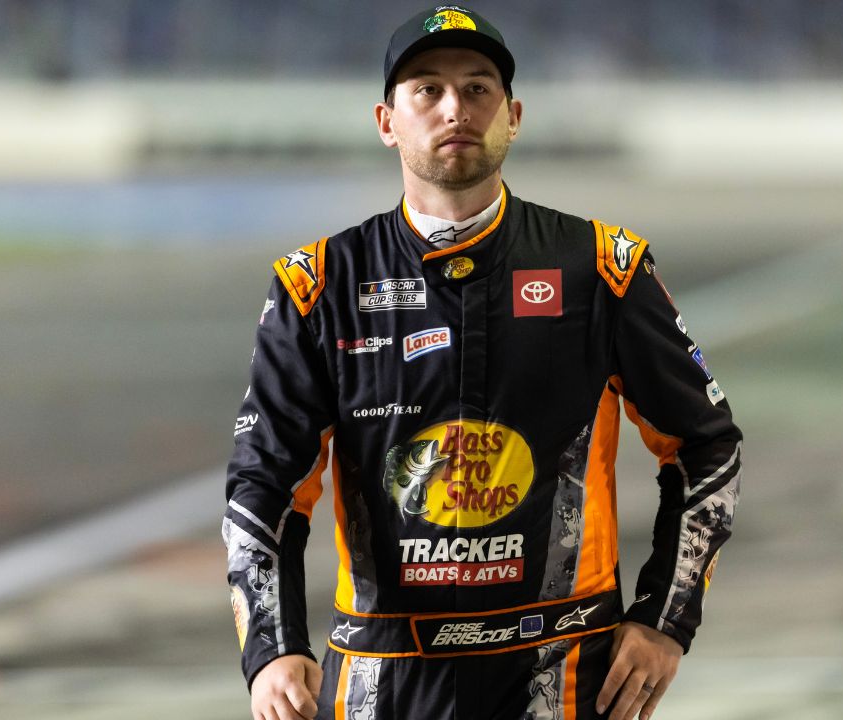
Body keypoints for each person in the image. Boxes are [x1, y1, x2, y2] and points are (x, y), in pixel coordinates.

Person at [222, 6, 742, 719]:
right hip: (382, 679)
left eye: (477, 89)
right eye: (427, 90)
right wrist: (273, 647)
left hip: (564, 673)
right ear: (386, 121)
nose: (454, 109)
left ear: (513, 116)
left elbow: (705, 445)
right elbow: (266, 482)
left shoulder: (601, 269)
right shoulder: (318, 286)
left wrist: (663, 619)